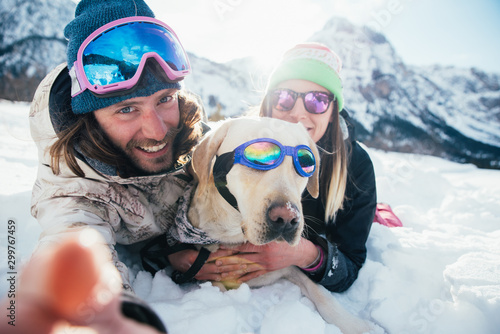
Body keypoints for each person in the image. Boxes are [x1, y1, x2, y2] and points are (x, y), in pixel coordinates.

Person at [26, 0, 235, 331]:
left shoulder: (194, 138)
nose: (157, 131)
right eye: (126, 109)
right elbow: (74, 244)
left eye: (164, 99)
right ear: (89, 116)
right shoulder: (73, 180)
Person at [168, 43, 377, 293]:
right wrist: (176, 252)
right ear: (268, 103)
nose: (297, 114)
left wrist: (303, 254)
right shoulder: (233, 141)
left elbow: (349, 267)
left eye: (317, 100)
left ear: (333, 112)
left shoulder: (356, 167)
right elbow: (166, 202)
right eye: (284, 98)